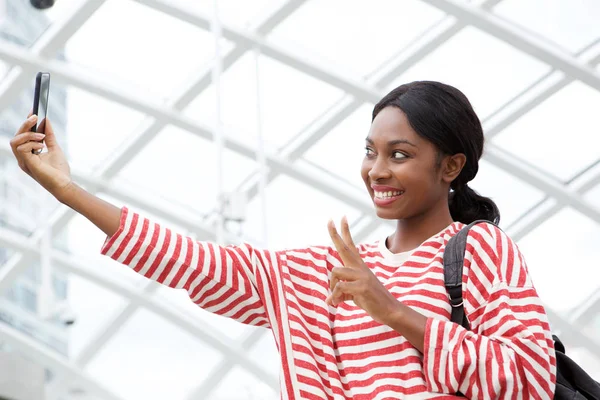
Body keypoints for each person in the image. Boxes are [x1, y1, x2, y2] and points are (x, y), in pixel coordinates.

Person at [10, 81, 556, 399]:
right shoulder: (324, 274)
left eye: (401, 154)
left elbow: (530, 379)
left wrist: (392, 311)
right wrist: (68, 191)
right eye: (370, 151)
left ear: (451, 166)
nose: (378, 170)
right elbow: (194, 264)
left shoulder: (480, 249)